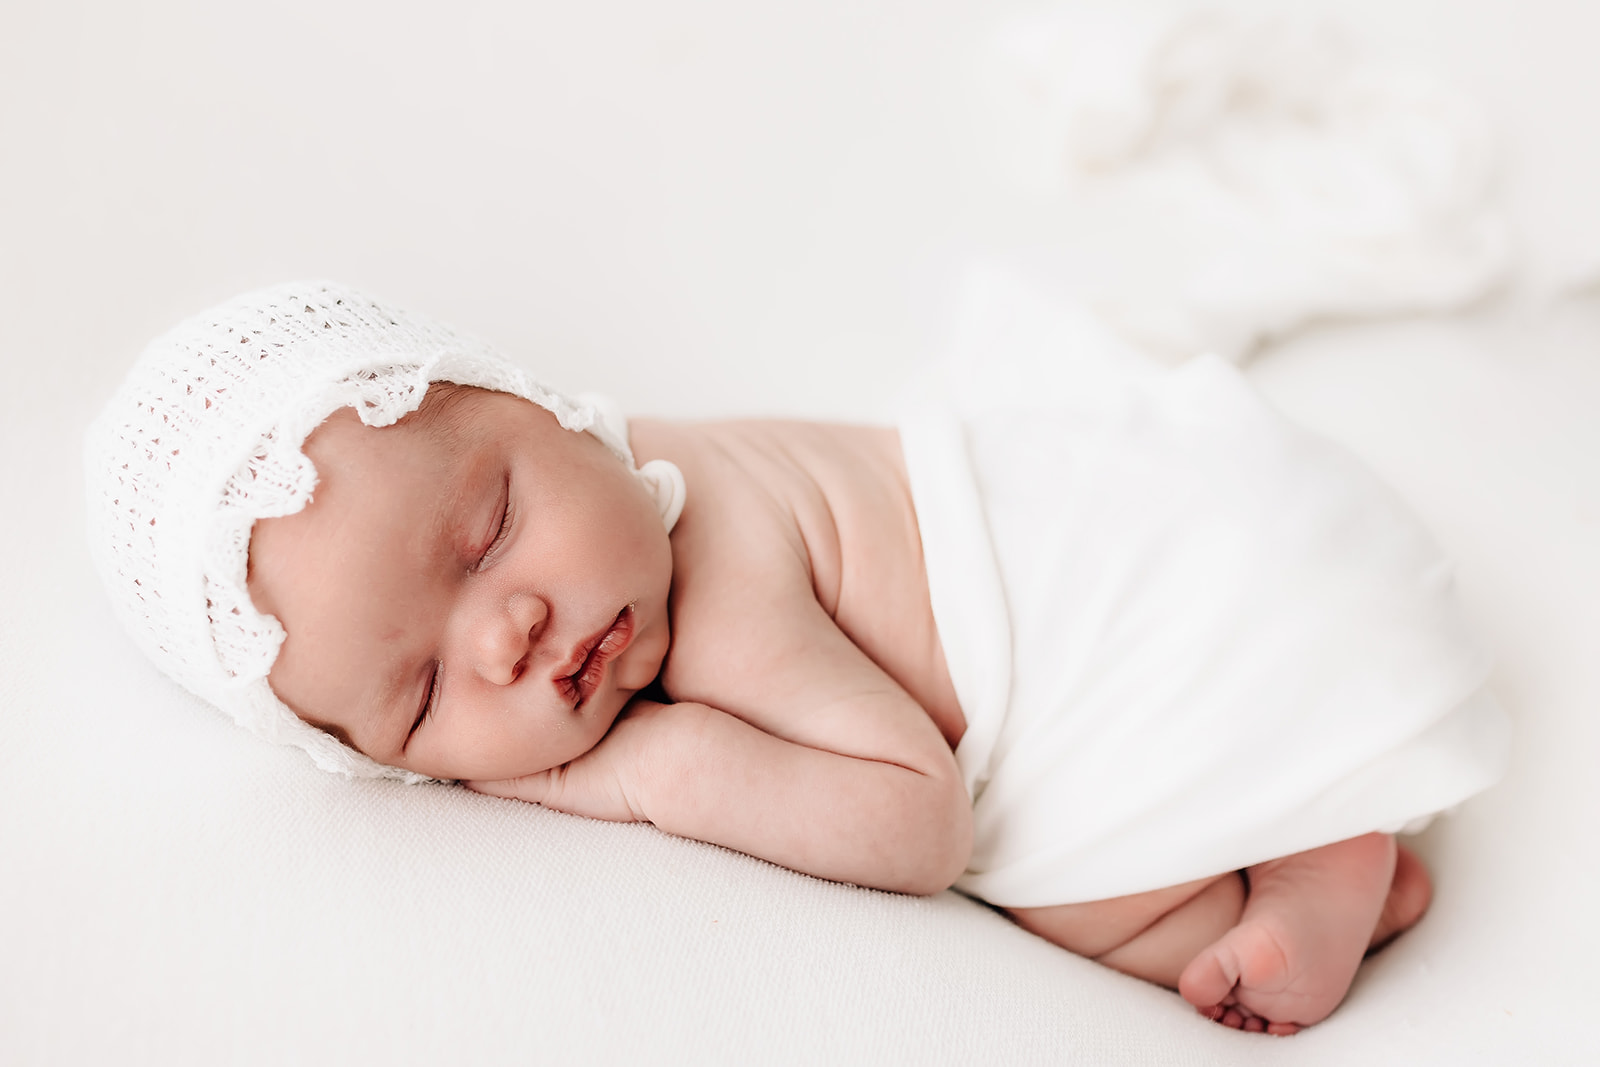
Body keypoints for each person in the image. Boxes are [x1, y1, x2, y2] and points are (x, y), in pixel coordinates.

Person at [85, 282, 1509, 1035]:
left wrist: (660, 771)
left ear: (554, 413)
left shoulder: (720, 560)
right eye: (424, 693)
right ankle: (1341, 836)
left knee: (1053, 881)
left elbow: (913, 816)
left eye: (488, 530)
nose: (507, 631)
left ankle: (1328, 856)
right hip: (1219, 550)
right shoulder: (602, 523)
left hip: (1181, 592)